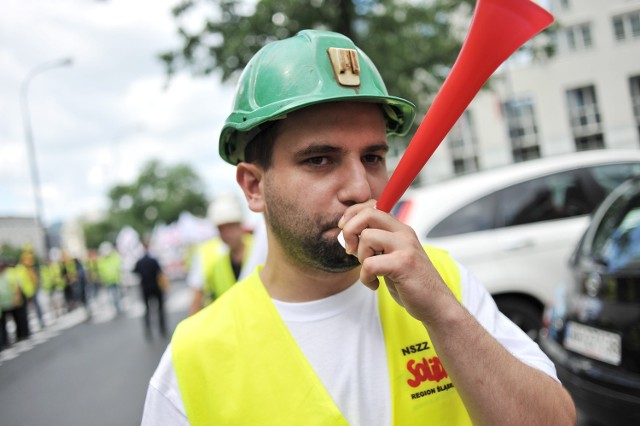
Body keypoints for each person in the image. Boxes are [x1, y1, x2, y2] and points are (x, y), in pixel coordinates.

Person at [142, 30, 576, 425]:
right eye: (319, 160)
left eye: (372, 157)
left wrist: (444, 316)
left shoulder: (445, 282)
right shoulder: (192, 360)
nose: (359, 187)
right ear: (254, 187)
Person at [187, 194, 253, 315]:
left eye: (230, 227)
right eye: (221, 229)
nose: (226, 233)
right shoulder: (218, 264)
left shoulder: (261, 250)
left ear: (240, 225)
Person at [133, 240, 167, 340]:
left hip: (145, 288)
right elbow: (160, 272)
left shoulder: (140, 261)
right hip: (156, 287)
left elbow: (135, 271)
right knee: (160, 309)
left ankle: (148, 331)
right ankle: (162, 329)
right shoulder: (153, 260)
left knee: (147, 310)